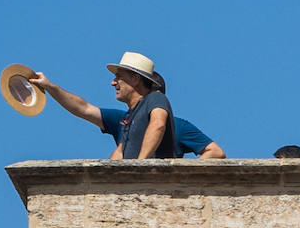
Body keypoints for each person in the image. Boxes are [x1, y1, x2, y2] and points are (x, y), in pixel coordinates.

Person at [31, 56, 225, 158]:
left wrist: (142, 167)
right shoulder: (124, 120)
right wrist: (50, 87)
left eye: (119, 77)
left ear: (135, 79)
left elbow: (215, 152)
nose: (113, 83)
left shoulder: (170, 117)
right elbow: (83, 108)